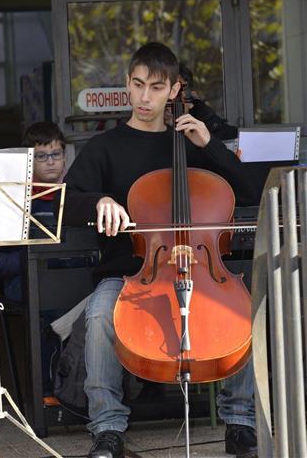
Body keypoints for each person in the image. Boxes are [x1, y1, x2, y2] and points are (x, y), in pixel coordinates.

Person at [59, 42, 257, 458]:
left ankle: (240, 421)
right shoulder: (104, 148)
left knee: (242, 312)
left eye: (156, 87)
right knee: (99, 316)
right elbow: (66, 199)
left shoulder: (190, 142)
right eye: (137, 85)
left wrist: (209, 145)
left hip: (202, 270)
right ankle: (108, 428)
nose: (144, 97)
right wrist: (99, 201)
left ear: (174, 90)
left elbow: (249, 189)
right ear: (127, 86)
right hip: (132, 273)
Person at [0, 121, 67, 396]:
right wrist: (32, 256)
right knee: (50, 306)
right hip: (25, 279)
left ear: (65, 156)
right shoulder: (13, 200)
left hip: (70, 279)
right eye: (40, 156)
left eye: (56, 154)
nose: (50, 162)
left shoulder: (77, 195)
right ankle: (49, 392)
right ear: (27, 160)